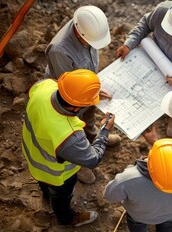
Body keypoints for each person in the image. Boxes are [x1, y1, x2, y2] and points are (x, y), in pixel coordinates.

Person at [21, 69, 116, 227]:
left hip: (33, 153)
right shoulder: (69, 136)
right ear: (75, 107)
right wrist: (104, 130)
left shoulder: (45, 86)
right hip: (55, 174)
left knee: (45, 185)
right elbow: (93, 159)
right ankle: (66, 219)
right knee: (61, 196)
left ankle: (46, 193)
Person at [44, 5, 121, 183]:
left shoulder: (89, 26)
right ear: (79, 34)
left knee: (89, 113)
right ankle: (77, 161)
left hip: (84, 86)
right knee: (74, 125)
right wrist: (90, 93)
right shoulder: (59, 50)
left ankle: (93, 134)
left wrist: (92, 90)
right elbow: (70, 92)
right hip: (70, 97)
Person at [104, 138, 172, 232]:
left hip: (138, 216)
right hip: (169, 214)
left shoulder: (128, 178)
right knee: (168, 230)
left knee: (138, 231)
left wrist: (130, 169)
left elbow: (109, 196)